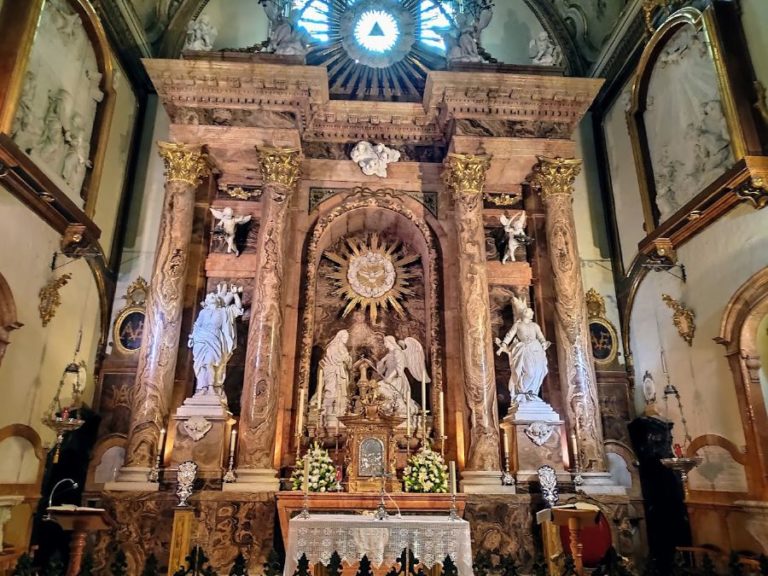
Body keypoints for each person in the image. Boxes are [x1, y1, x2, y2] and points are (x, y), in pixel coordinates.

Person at [188, 284, 244, 398]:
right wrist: (192, 338)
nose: (212, 296)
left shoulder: (224, 311)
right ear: (207, 302)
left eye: (214, 295)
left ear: (218, 301)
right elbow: (197, 325)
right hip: (200, 339)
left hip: (214, 339)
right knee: (202, 365)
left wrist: (235, 295)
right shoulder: (203, 313)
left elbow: (238, 308)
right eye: (210, 296)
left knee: (210, 363)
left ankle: (211, 387)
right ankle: (203, 388)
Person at [495, 297, 551, 405]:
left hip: (536, 350)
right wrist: (502, 346)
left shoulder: (535, 326)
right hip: (523, 350)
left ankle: (532, 393)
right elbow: (509, 335)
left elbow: (540, 337)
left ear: (531, 315)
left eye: (529, 311)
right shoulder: (518, 325)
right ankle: (523, 393)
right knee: (529, 372)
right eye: (525, 310)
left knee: (539, 371)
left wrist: (544, 343)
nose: (527, 312)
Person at [311, 329, 352, 417]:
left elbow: (348, 362)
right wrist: (344, 358)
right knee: (331, 390)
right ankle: (326, 411)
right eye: (345, 337)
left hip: (342, 372)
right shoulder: (332, 347)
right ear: (340, 337)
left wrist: (348, 359)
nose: (346, 339)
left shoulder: (344, 348)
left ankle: (341, 410)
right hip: (333, 371)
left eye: (347, 337)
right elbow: (332, 360)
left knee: (342, 391)